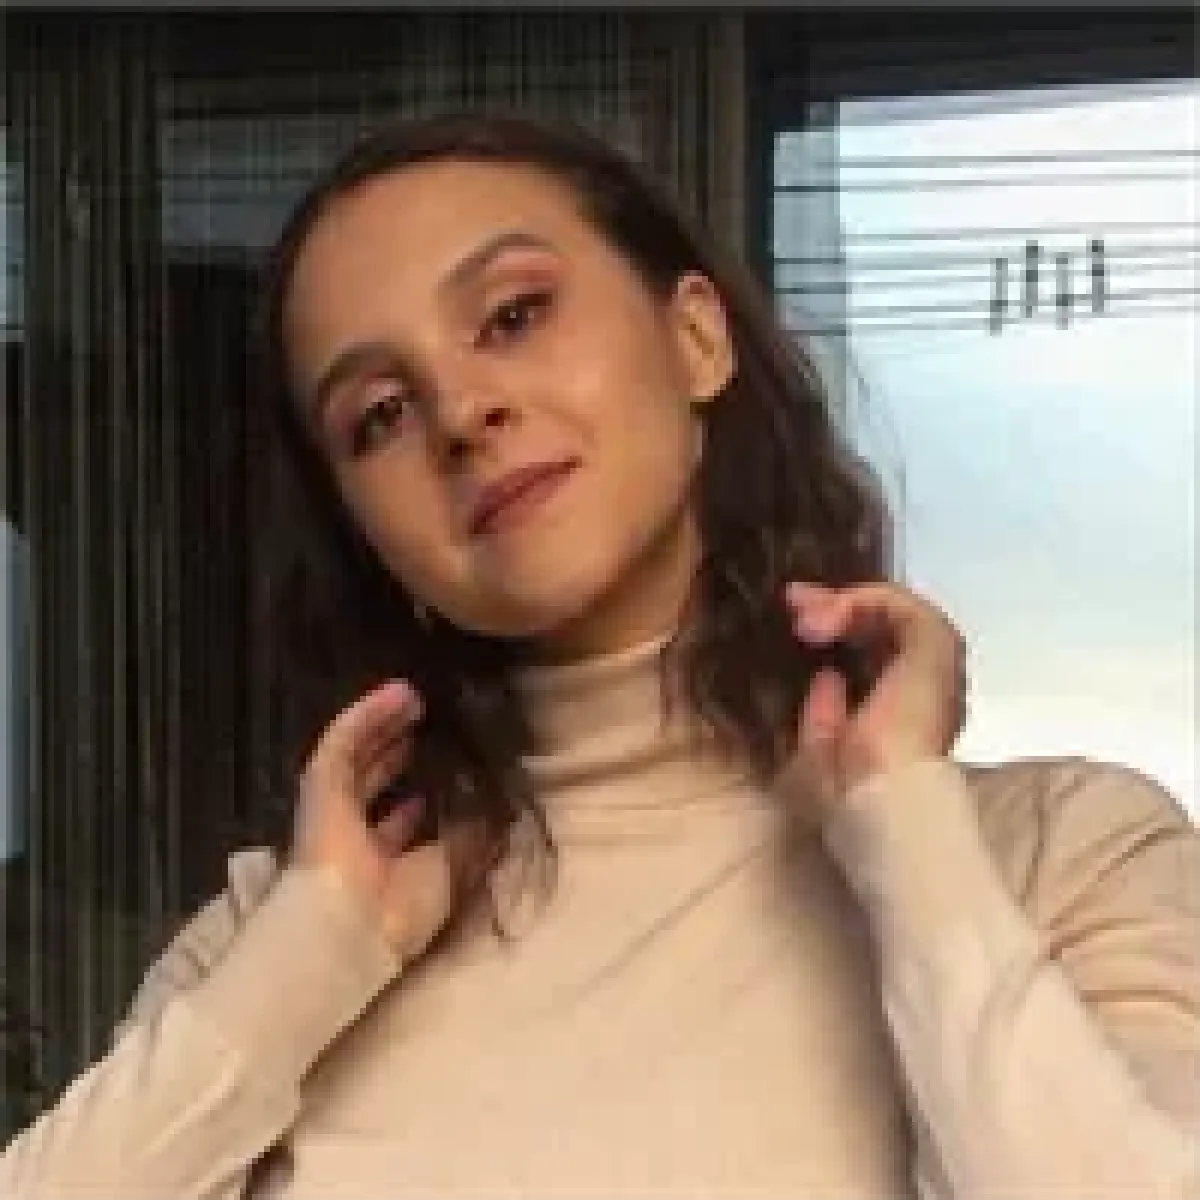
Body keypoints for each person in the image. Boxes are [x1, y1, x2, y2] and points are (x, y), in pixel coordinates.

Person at [2, 110, 1197, 1198]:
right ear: (367, 535)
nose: (460, 411)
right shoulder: (276, 944)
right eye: (379, 415)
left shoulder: (1060, 859)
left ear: (697, 339)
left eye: (514, 316)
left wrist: (908, 837)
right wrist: (313, 953)